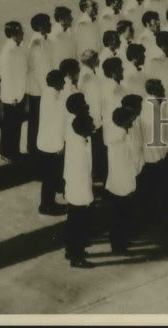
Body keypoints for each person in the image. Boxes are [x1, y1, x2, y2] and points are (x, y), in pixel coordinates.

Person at [105, 105, 144, 255]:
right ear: (124, 121)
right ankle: (118, 247)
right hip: (121, 185)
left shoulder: (122, 135)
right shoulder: (118, 142)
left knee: (123, 216)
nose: (132, 122)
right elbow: (124, 167)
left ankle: (122, 241)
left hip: (121, 184)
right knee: (119, 217)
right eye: (130, 120)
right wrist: (129, 187)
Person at [63, 111, 95, 267]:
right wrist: (87, 198)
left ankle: (71, 251)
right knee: (79, 227)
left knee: (73, 223)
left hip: (73, 190)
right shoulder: (80, 149)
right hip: (79, 192)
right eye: (91, 125)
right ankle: (77, 258)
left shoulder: (78, 141)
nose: (94, 126)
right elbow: (83, 175)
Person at [37, 69, 68, 216]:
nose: (64, 82)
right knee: (50, 177)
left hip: (45, 142)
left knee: (49, 177)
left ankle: (48, 203)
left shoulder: (47, 94)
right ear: (56, 82)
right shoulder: (56, 101)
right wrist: (60, 145)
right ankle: (47, 206)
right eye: (62, 80)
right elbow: (58, 125)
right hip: (52, 144)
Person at [26, 13, 55, 156]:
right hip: (39, 90)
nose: (50, 25)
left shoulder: (45, 40)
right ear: (40, 26)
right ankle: (33, 149)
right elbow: (39, 70)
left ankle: (38, 147)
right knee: (36, 120)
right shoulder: (37, 44)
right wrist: (46, 90)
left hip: (44, 88)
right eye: (47, 23)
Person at [0, 21, 27, 162]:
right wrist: (13, 97)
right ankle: (6, 152)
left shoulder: (18, 47)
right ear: (14, 34)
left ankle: (14, 151)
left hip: (19, 92)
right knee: (9, 125)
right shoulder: (8, 52)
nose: (23, 33)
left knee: (16, 124)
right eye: (20, 32)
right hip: (12, 97)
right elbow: (7, 76)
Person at [78, 49, 106, 184]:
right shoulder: (87, 77)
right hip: (93, 116)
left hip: (95, 115)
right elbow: (92, 99)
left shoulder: (90, 74)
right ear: (92, 61)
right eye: (96, 58)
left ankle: (96, 173)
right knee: (94, 148)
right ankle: (95, 175)